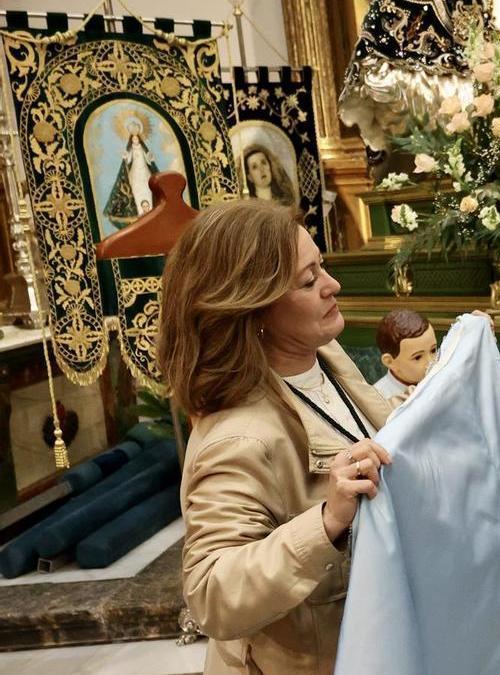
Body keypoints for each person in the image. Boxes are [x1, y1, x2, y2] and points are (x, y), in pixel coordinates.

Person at [158, 200, 393, 673]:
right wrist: (327, 522)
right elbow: (210, 593)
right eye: (308, 281)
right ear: (254, 306)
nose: (333, 286)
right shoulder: (239, 438)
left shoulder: (320, 352)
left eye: (321, 267)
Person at [373, 308, 436, 405]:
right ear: (390, 362)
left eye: (433, 350)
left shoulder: (440, 379)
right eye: (418, 357)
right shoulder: (380, 402)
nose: (431, 362)